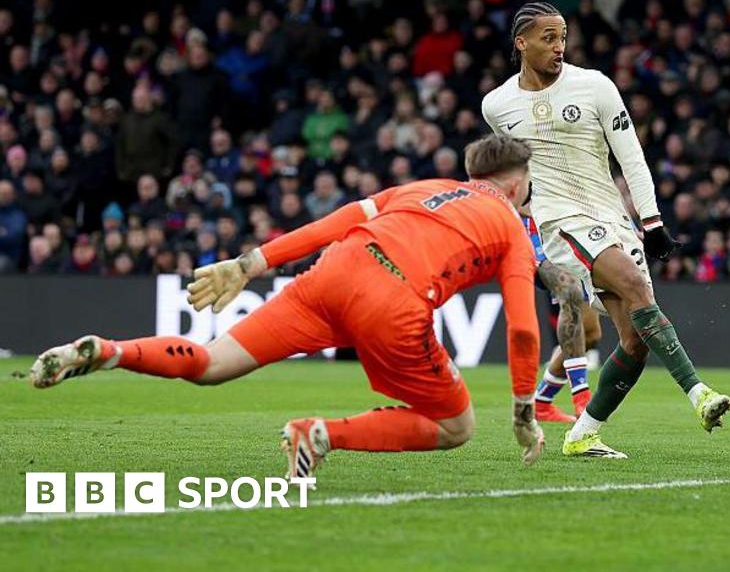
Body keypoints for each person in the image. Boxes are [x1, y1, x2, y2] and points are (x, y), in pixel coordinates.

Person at [30, 136, 548, 475]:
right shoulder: (512, 231)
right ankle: (319, 435)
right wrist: (524, 408)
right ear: (518, 182)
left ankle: (109, 351)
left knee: (210, 364)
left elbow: (339, 222)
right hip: (392, 301)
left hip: (332, 272)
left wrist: (251, 263)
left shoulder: (424, 187)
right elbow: (524, 329)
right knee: (457, 427)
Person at [482, 1, 730, 459]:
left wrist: (651, 220)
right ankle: (699, 394)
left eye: (563, 38)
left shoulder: (594, 86)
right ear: (521, 43)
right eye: (548, 38)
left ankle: (583, 433)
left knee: (634, 340)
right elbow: (516, 171)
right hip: (560, 222)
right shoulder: (497, 105)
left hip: (611, 217)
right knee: (636, 287)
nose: (559, 47)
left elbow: (630, 155)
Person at [523, 212, 602, 423]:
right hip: (534, 230)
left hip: (568, 233)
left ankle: (541, 402)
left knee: (591, 334)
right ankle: (582, 396)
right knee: (569, 290)